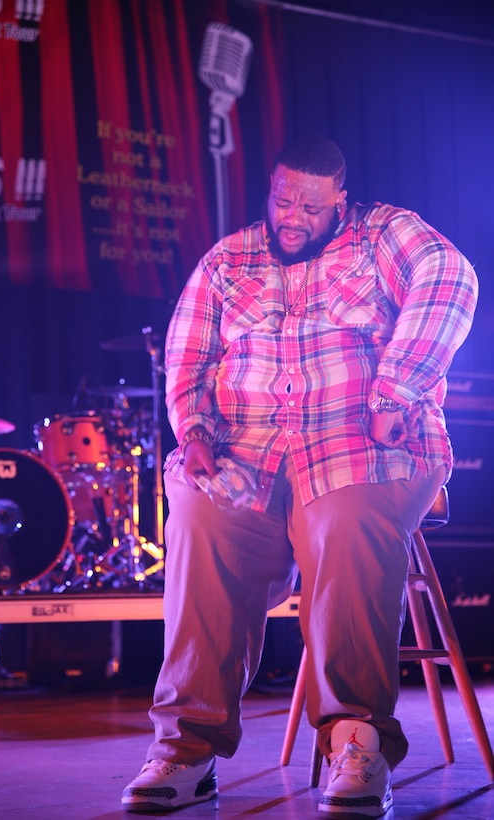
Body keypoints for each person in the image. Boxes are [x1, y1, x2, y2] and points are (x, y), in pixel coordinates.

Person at [121, 134, 478, 816]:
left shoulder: (385, 233)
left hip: (362, 443)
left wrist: (394, 393)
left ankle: (354, 737)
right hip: (247, 451)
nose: (291, 216)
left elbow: (449, 279)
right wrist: (193, 432)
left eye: (309, 207)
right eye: (282, 199)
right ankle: (187, 748)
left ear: (339, 201)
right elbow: (187, 354)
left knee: (339, 519)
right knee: (196, 514)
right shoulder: (228, 259)